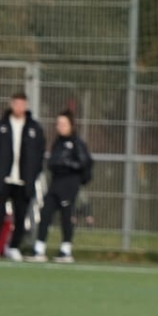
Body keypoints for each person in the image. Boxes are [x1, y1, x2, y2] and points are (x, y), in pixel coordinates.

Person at [0, 93, 43, 262]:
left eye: (22, 104)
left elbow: (39, 154)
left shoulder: (35, 128)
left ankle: (14, 246)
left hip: (24, 180)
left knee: (21, 215)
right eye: (16, 103)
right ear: (11, 104)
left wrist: (32, 173)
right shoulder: (0, 125)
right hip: (4, 179)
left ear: (26, 105)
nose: (19, 107)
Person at [32, 111, 94, 263]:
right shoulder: (58, 142)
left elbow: (85, 163)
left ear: (71, 125)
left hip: (69, 184)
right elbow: (53, 162)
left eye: (64, 124)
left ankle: (66, 250)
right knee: (45, 212)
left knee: (66, 216)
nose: (60, 127)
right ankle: (39, 249)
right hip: (56, 183)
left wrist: (69, 165)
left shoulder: (77, 143)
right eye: (58, 124)